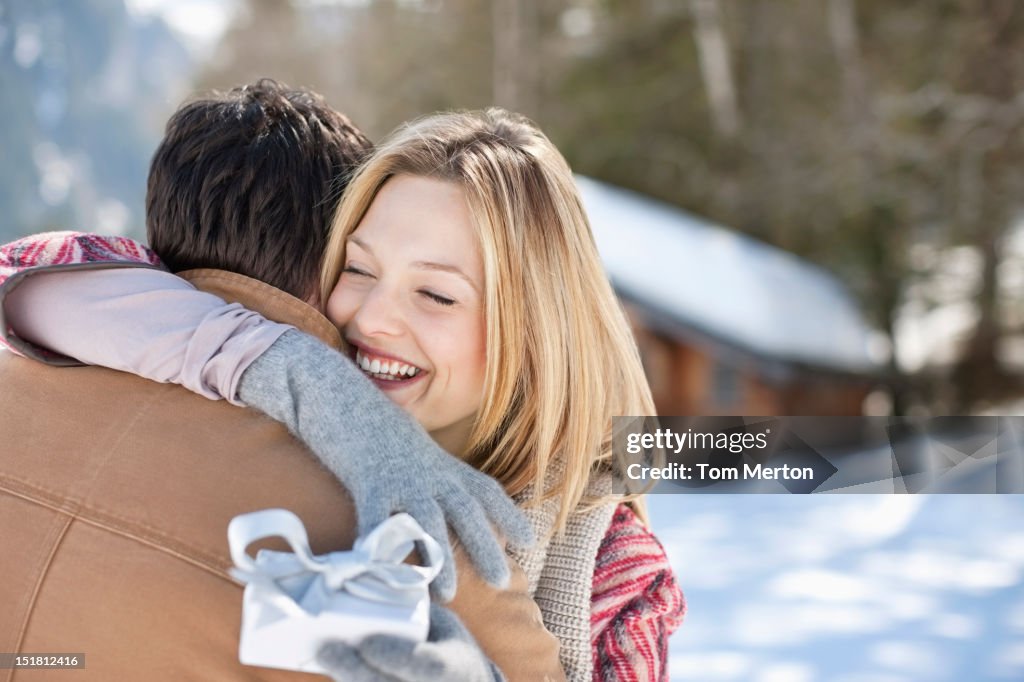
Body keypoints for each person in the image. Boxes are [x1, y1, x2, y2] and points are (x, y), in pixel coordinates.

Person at [2, 108, 685, 680]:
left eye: (437, 294)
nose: (371, 318)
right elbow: (34, 271)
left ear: (537, 334)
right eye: (357, 268)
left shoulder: (613, 579)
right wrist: (295, 371)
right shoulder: (280, 433)